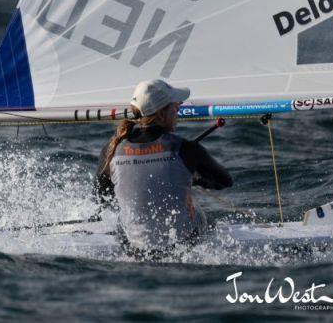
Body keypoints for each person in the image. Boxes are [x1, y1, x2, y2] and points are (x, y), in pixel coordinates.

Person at [94, 79, 233, 258]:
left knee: (122, 219)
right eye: (175, 107)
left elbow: (100, 195)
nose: (178, 111)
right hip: (181, 243)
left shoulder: (112, 149)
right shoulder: (186, 149)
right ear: (161, 114)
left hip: (133, 247)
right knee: (206, 217)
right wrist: (194, 178)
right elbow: (225, 181)